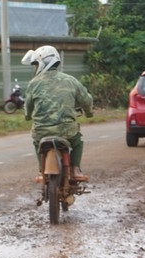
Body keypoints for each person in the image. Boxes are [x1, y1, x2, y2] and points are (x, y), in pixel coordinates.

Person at [22, 45, 93, 181]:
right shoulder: (70, 80)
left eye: (36, 64)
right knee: (77, 142)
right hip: (67, 131)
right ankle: (75, 169)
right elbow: (86, 99)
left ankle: (41, 171)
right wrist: (89, 113)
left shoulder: (33, 84)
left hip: (41, 131)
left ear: (44, 62)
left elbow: (28, 106)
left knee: (37, 143)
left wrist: (27, 116)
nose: (35, 68)